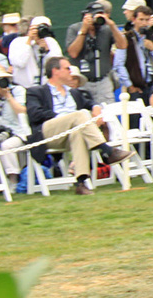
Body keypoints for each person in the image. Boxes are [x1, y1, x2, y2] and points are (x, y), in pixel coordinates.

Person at [25, 57, 132, 196]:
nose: (71, 71)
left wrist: (96, 108)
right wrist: (64, 118)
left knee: (78, 132)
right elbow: (34, 114)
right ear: (55, 71)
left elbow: (90, 103)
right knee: (79, 115)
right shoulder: (36, 91)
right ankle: (106, 150)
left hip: (70, 134)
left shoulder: (74, 93)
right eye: (67, 68)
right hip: (48, 133)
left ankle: (80, 183)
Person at [65, 0, 128, 103]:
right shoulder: (75, 28)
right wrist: (84, 31)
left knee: (108, 114)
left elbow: (123, 45)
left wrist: (112, 25)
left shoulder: (106, 29)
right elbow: (73, 53)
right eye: (95, 15)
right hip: (82, 82)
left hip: (103, 81)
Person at [118, 2, 153, 99]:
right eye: (141, 20)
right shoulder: (126, 38)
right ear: (134, 20)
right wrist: (130, 86)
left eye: (147, 20)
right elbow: (118, 64)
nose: (144, 23)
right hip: (135, 86)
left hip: (152, 84)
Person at [8, 17, 62, 89]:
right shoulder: (18, 42)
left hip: (45, 87)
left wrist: (46, 50)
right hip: (24, 87)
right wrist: (29, 41)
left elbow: (57, 65)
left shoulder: (51, 42)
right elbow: (19, 63)